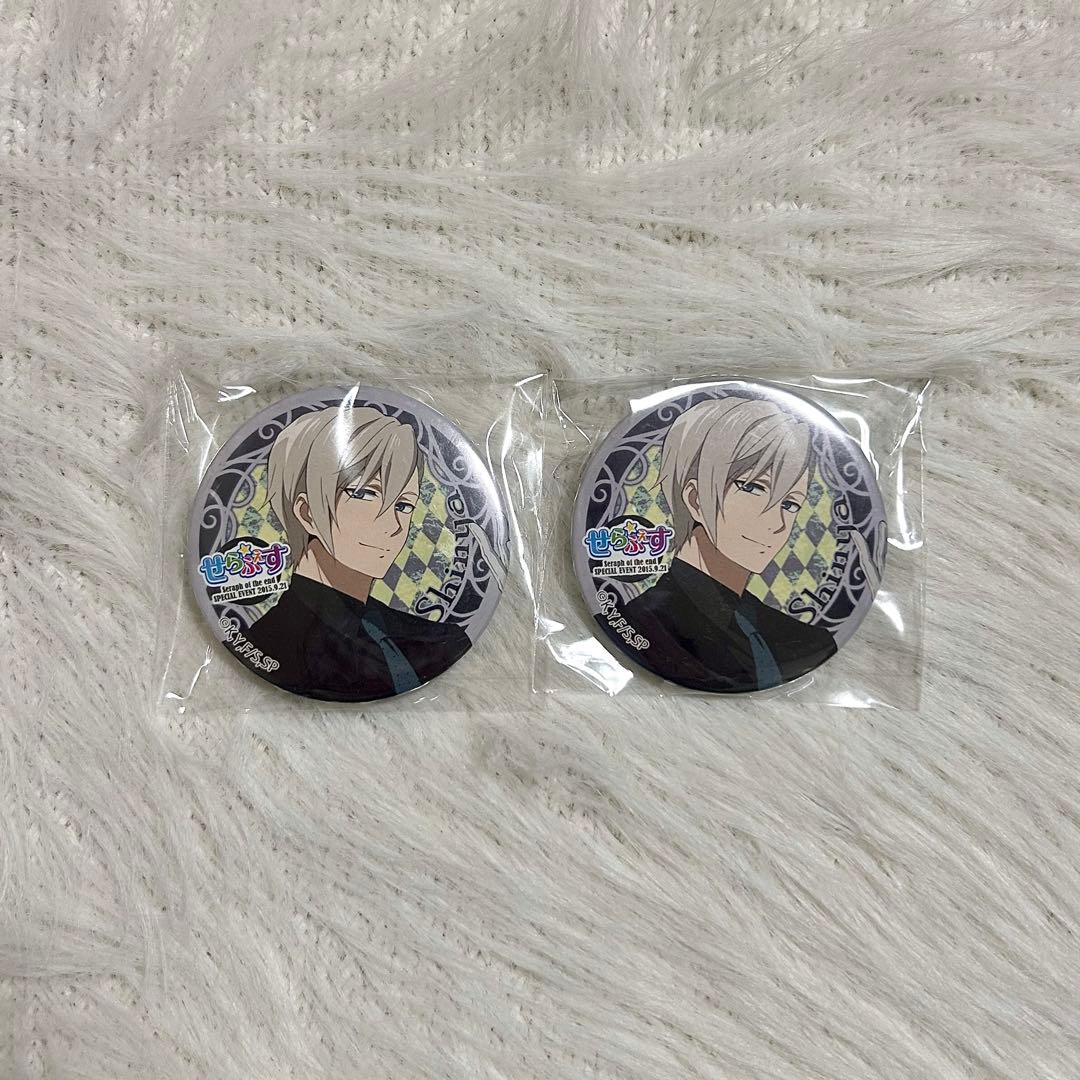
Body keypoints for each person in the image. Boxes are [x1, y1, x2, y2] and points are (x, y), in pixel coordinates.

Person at [244, 401, 470, 700]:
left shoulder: (434, 641)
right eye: (366, 494)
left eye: (404, 505)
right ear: (307, 513)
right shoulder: (270, 644)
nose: (394, 526)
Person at [617, 396, 836, 692]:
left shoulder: (805, 641)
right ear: (695, 499)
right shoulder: (642, 623)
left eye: (790, 504)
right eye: (754, 488)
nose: (778, 523)